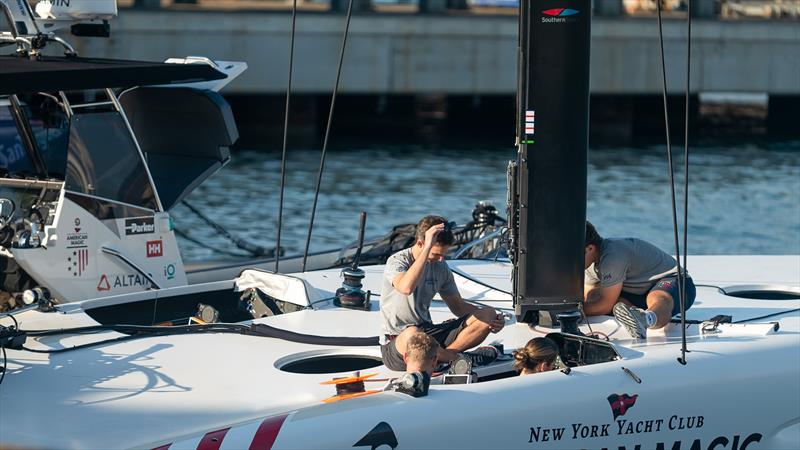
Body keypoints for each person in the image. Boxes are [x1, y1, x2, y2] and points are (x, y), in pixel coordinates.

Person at [380, 215, 505, 371]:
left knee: (488, 314)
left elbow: (458, 307)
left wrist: (495, 319)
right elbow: (406, 287)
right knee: (413, 334)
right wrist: (427, 250)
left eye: (443, 255)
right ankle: (458, 359)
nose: (441, 259)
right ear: (421, 243)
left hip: (429, 335)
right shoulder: (397, 261)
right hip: (398, 343)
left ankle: (445, 357)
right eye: (436, 254)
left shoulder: (440, 266)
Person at [582, 221, 696, 338]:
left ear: (590, 248)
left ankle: (646, 319)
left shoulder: (613, 255)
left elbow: (604, 305)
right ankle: (635, 314)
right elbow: (590, 298)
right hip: (638, 292)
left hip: (676, 282)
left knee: (656, 297)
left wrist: (571, 312)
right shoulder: (589, 262)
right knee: (596, 295)